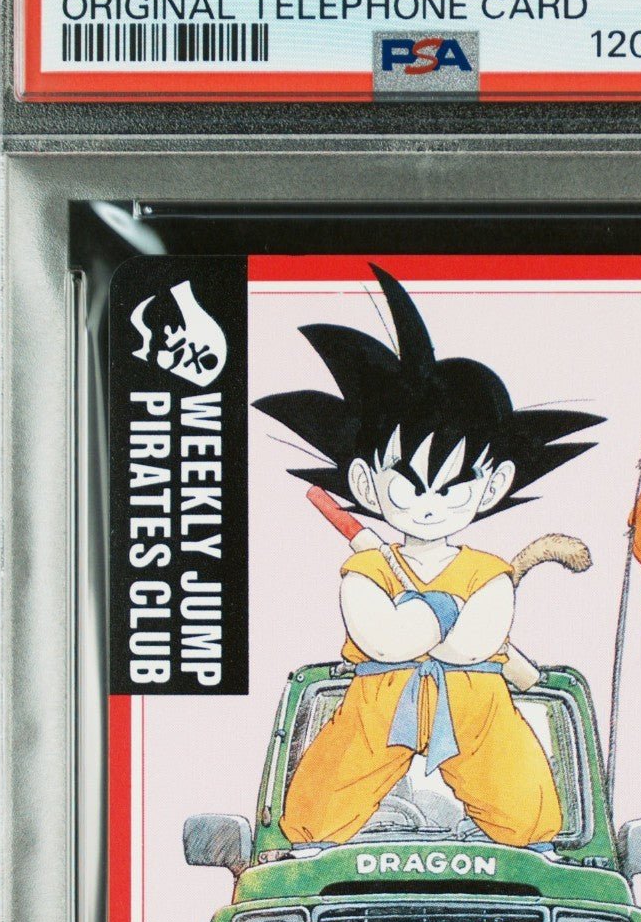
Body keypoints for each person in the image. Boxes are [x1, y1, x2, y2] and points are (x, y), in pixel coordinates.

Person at [253, 265, 603, 847]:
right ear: (365, 484)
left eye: (455, 486)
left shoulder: (487, 574)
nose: (431, 503)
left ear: (494, 486)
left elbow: (469, 647)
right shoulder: (367, 570)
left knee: (529, 819)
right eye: (409, 486)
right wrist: (445, 611)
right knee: (309, 821)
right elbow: (386, 640)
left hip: (477, 709)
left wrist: (433, 622)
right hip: (376, 704)